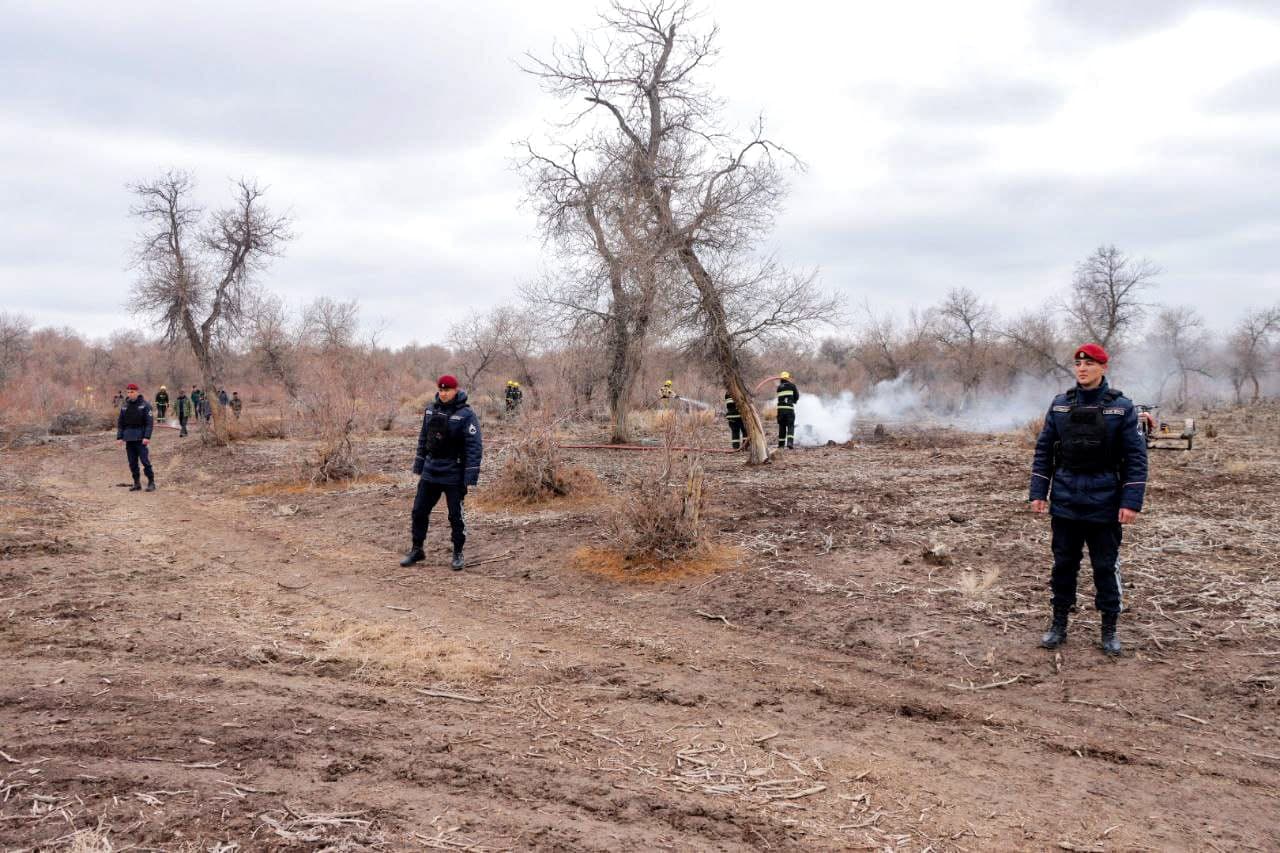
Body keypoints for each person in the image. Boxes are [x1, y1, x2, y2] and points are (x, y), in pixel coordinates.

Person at [1030, 343, 1147, 656]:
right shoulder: (1060, 405)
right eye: (1078, 364)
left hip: (1105, 501)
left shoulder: (1122, 407)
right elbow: (1044, 450)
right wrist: (1038, 492)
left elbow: (1136, 458)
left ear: (1103, 368)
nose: (1082, 369)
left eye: (1089, 364)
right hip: (1065, 499)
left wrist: (1131, 502)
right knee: (1063, 565)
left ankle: (1109, 629)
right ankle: (1058, 624)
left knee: (1105, 567)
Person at [400, 375, 483, 571]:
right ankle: (417, 549)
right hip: (431, 470)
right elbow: (423, 439)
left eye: (447, 390)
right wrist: (419, 465)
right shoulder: (430, 410)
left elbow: (474, 446)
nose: (444, 393)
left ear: (456, 390)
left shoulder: (466, 414)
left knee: (455, 515)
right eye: (441, 390)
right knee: (419, 511)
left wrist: (470, 476)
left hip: (454, 472)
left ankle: (458, 553)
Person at [116, 383, 156, 492]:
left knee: (145, 461)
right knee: (132, 462)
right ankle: (136, 483)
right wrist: (119, 437)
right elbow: (120, 423)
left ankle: (151, 482)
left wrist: (147, 436)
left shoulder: (145, 405)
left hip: (141, 438)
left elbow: (149, 423)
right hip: (129, 438)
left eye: (132, 392)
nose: (130, 394)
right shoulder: (125, 406)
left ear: (137, 392)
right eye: (128, 392)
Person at [776, 371, 799, 449]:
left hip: (780, 411)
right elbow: (797, 396)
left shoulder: (779, 388)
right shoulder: (792, 386)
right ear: (788, 378)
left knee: (782, 427)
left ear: (781, 378)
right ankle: (789, 443)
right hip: (789, 410)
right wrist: (794, 401)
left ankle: (781, 445)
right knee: (790, 426)